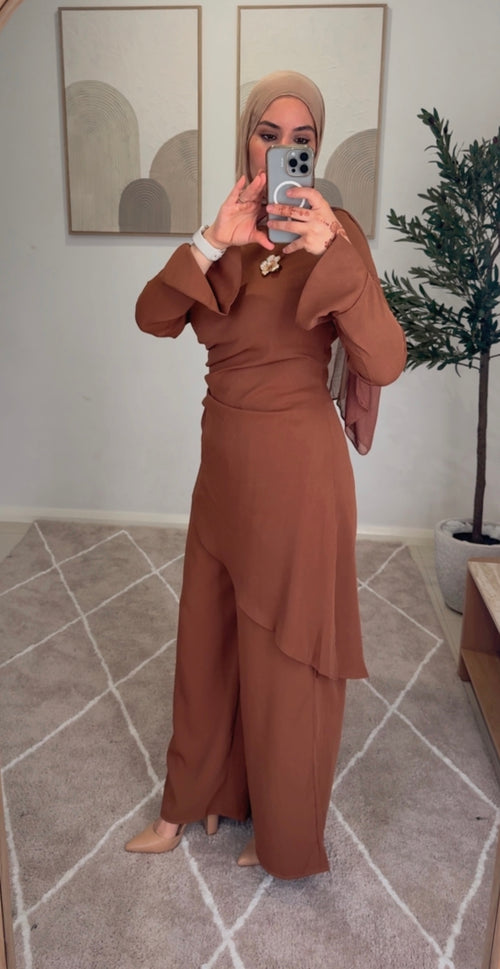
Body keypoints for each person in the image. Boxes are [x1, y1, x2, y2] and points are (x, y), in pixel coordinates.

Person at [125, 71, 406, 879]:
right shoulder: (228, 234)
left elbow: (385, 358)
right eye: (268, 135)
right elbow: (152, 316)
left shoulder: (338, 234)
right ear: (246, 141)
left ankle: (281, 830)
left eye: (302, 140)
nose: (284, 150)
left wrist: (333, 253)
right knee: (207, 643)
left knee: (286, 664)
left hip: (299, 477)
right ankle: (193, 799)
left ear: (317, 152)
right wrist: (211, 241)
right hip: (222, 473)